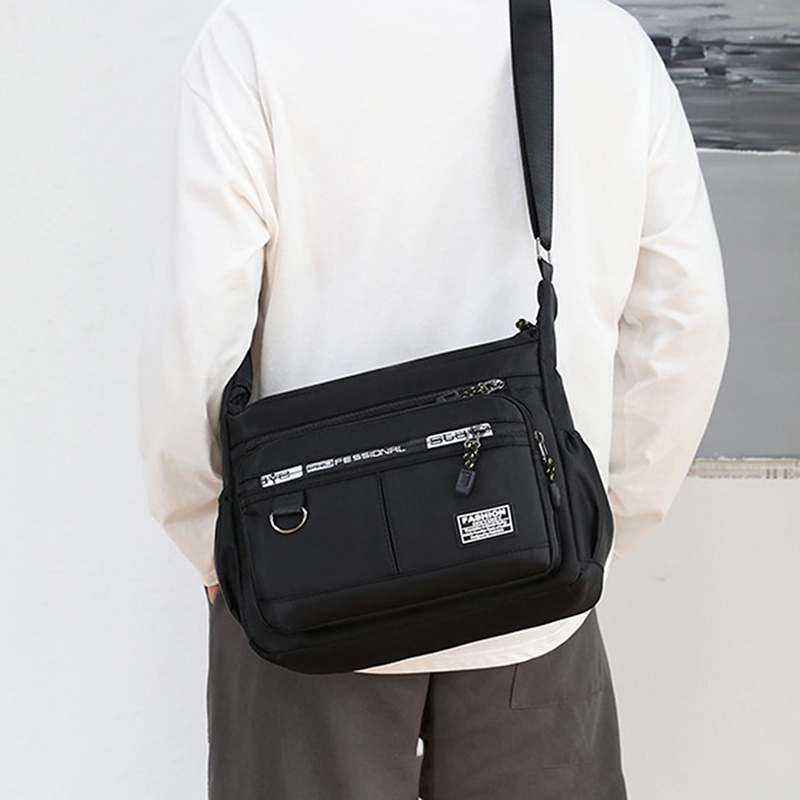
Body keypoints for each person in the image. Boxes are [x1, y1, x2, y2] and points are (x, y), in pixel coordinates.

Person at [139, 0, 729, 797]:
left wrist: (207, 541)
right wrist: (599, 523)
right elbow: (685, 321)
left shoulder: (254, 37)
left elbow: (196, 325)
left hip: (308, 591)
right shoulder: (602, 38)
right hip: (533, 595)